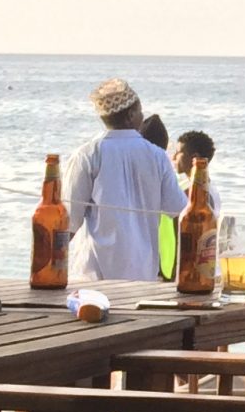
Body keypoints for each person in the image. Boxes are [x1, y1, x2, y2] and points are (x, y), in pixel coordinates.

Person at [61, 79, 185, 282]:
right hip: (143, 274)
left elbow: (67, 222)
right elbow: (178, 209)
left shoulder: (88, 154)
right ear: (130, 116)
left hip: (94, 274)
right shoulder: (157, 155)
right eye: (140, 111)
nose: (143, 116)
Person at [173, 130, 217, 208]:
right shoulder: (205, 186)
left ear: (194, 158)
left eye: (178, 152)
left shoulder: (199, 194)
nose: (173, 157)